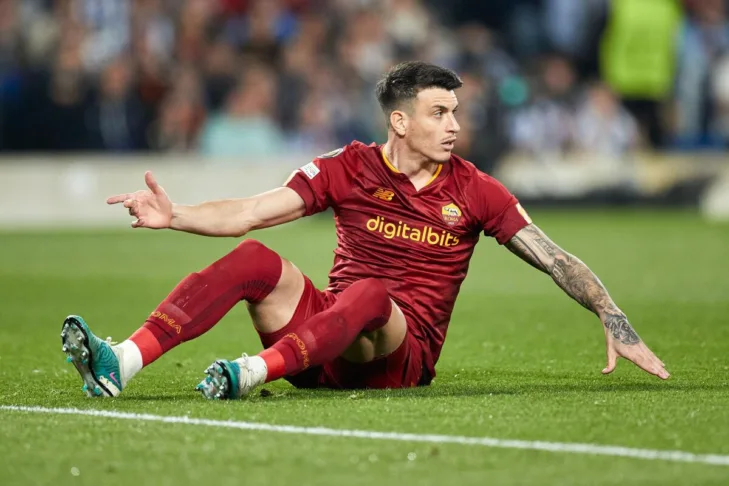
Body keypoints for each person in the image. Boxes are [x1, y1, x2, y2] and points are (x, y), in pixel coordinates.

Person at [60, 61, 669, 400]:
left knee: (371, 293)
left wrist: (611, 315)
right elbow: (251, 212)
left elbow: (552, 256)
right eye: (439, 113)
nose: (454, 126)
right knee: (254, 257)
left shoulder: (477, 189)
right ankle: (122, 363)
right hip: (323, 344)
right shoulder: (348, 166)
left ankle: (250, 372)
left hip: (397, 356)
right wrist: (175, 216)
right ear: (399, 122)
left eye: (455, 113)